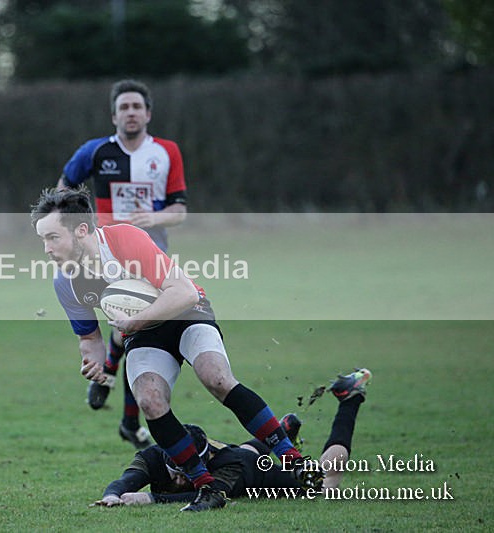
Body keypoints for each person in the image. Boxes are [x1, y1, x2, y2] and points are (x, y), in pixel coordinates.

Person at [30, 187, 322, 512]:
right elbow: (90, 339)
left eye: (53, 237)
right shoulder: (66, 281)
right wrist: (94, 364)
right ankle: (206, 487)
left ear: (81, 229)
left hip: (185, 312)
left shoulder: (125, 240)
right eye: (43, 239)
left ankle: (292, 459)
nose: (46, 248)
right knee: (149, 400)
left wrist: (136, 321)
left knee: (217, 378)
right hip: (144, 332)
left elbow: (183, 292)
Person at [58, 79, 188, 449]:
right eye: (124, 107)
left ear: (148, 113)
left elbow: (179, 212)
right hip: (104, 257)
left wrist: (154, 219)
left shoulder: (166, 152)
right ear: (114, 115)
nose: (130, 112)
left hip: (151, 258)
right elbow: (64, 191)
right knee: (131, 329)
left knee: (134, 331)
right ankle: (128, 415)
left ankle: (112, 380)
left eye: (137, 106)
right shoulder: (95, 151)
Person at [94, 368, 372, 510]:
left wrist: (151, 499)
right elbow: (125, 481)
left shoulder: (227, 465)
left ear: (206, 461)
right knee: (246, 450)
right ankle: (282, 431)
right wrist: (111, 496)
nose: (179, 480)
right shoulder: (153, 455)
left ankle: (349, 398)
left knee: (326, 484)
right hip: (242, 451)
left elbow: (210, 496)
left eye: (186, 473)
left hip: (252, 471)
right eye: (176, 472)